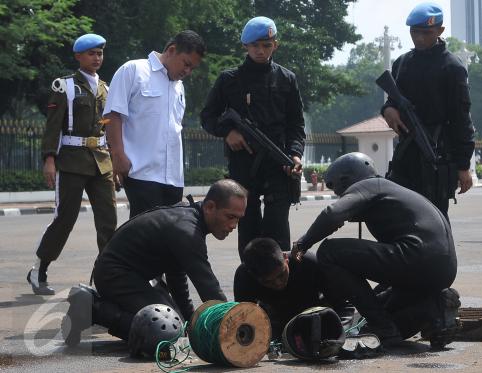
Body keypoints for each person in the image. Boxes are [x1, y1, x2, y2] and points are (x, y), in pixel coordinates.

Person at [291, 153, 461, 349]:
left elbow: (333, 214)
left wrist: (303, 244)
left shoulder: (368, 185)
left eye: (338, 189)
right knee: (376, 317)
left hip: (418, 257)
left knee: (330, 252)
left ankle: (385, 327)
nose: (341, 195)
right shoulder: (391, 189)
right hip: (441, 270)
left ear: (346, 180)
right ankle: (434, 308)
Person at [60, 179, 246, 346]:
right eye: (230, 216)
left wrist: (189, 321)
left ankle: (100, 306)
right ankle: (92, 308)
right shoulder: (187, 231)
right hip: (114, 275)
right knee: (165, 333)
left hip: (133, 277)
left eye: (238, 219)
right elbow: (208, 287)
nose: (233, 225)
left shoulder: (190, 221)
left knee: (178, 326)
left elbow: (177, 277)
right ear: (210, 207)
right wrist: (234, 327)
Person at [201, 16, 305, 259]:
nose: (261, 51)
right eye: (255, 45)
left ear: (275, 45)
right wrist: (227, 132)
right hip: (243, 164)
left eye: (266, 45)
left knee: (277, 232)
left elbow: (296, 124)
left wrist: (295, 153)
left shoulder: (286, 78)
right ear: (245, 46)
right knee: (247, 227)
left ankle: (279, 285)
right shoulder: (229, 79)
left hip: (279, 164)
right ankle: (249, 286)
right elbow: (208, 116)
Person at [27, 33, 116, 296]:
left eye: (100, 53)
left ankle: (108, 278)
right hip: (71, 161)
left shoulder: (106, 88)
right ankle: (39, 269)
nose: (97, 58)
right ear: (78, 56)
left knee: (108, 222)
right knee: (65, 218)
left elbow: (107, 125)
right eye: (91, 53)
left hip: (101, 162)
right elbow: (53, 127)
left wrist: (114, 159)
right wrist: (49, 160)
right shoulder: (64, 86)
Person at [381, 2, 475, 217]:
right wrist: (388, 110)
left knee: (435, 219)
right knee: (401, 216)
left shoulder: (452, 68)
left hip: (438, 155)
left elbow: (462, 120)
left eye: (426, 32)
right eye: (415, 32)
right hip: (405, 156)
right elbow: (392, 101)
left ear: (440, 31)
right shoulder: (402, 63)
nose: (419, 38)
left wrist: (463, 166)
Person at [104, 30, 205, 217]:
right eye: (186, 64)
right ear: (172, 50)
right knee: (145, 231)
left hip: (173, 177)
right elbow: (112, 114)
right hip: (141, 171)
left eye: (192, 68)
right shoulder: (133, 70)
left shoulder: (179, 87)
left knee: (168, 234)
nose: (187, 72)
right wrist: (117, 154)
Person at [234, 237, 353, 339]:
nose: (278, 283)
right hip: (275, 326)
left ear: (286, 258)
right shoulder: (244, 277)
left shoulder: (309, 263)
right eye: (268, 282)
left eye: (281, 274)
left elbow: (344, 306)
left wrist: (339, 334)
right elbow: (244, 319)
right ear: (254, 277)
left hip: (316, 321)